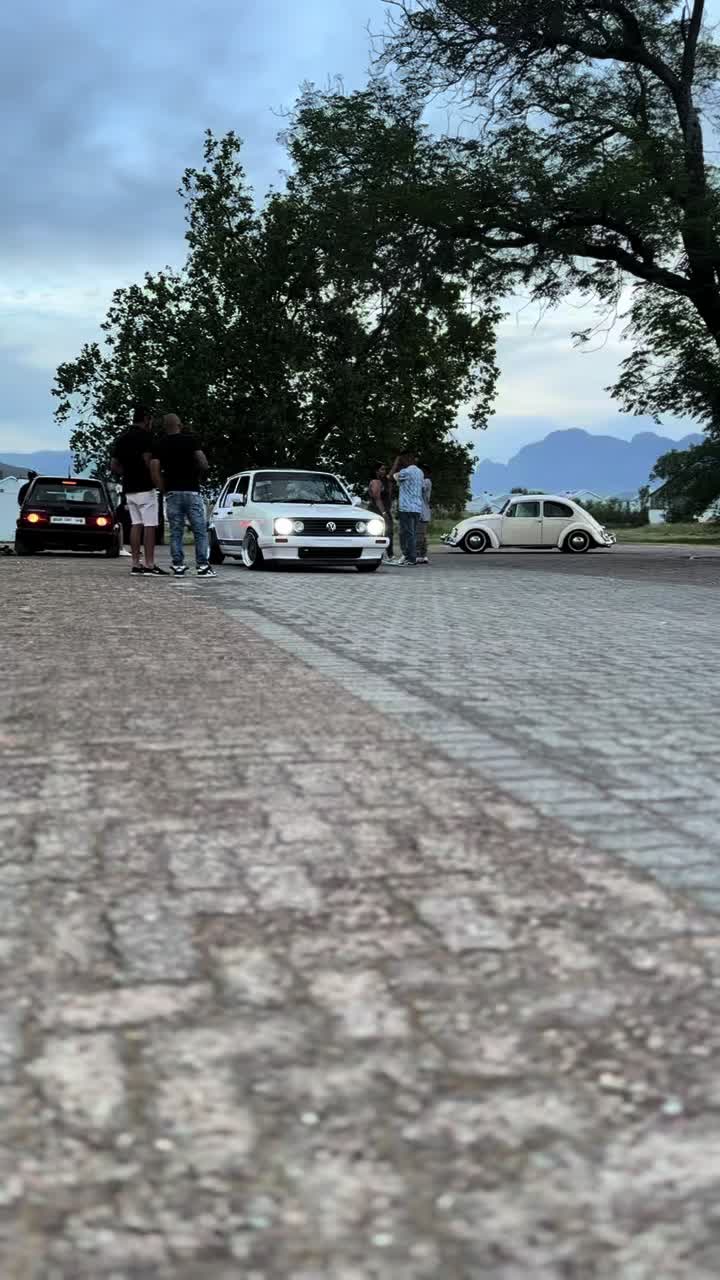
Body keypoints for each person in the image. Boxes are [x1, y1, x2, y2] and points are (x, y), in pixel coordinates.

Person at [154, 413, 215, 578]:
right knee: (199, 530)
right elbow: (203, 463)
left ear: (165, 427)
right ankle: (202, 566)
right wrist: (199, 475)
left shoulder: (160, 444)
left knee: (176, 531)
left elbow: (154, 467)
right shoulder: (191, 440)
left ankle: (178, 565)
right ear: (179, 425)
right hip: (191, 490)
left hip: (172, 492)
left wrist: (162, 488)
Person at [110, 406, 166, 576]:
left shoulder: (122, 438)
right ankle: (149, 563)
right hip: (145, 487)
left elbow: (114, 465)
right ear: (146, 419)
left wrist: (127, 473)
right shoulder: (147, 438)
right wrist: (157, 480)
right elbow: (149, 461)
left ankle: (135, 563)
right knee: (149, 525)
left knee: (136, 524)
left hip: (129, 487)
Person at [388, 451, 424, 566]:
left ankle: (410, 558)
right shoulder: (420, 472)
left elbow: (390, 476)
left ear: (407, 459)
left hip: (406, 508)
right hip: (417, 507)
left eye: (403, 460)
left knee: (407, 534)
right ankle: (409, 556)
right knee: (412, 533)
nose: (402, 462)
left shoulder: (405, 472)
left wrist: (396, 462)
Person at [368, 462, 394, 560]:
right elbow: (377, 499)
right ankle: (387, 555)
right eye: (382, 469)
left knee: (388, 532)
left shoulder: (383, 481)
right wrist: (384, 513)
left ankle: (387, 554)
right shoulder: (376, 482)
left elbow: (391, 474)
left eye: (385, 469)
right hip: (377, 510)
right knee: (385, 532)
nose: (384, 471)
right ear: (376, 471)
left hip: (384, 509)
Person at [417, 467, 432, 565]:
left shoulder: (426, 481)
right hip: (424, 512)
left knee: (420, 535)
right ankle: (423, 555)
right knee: (422, 535)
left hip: (422, 513)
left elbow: (419, 488)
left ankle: (419, 554)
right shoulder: (426, 481)